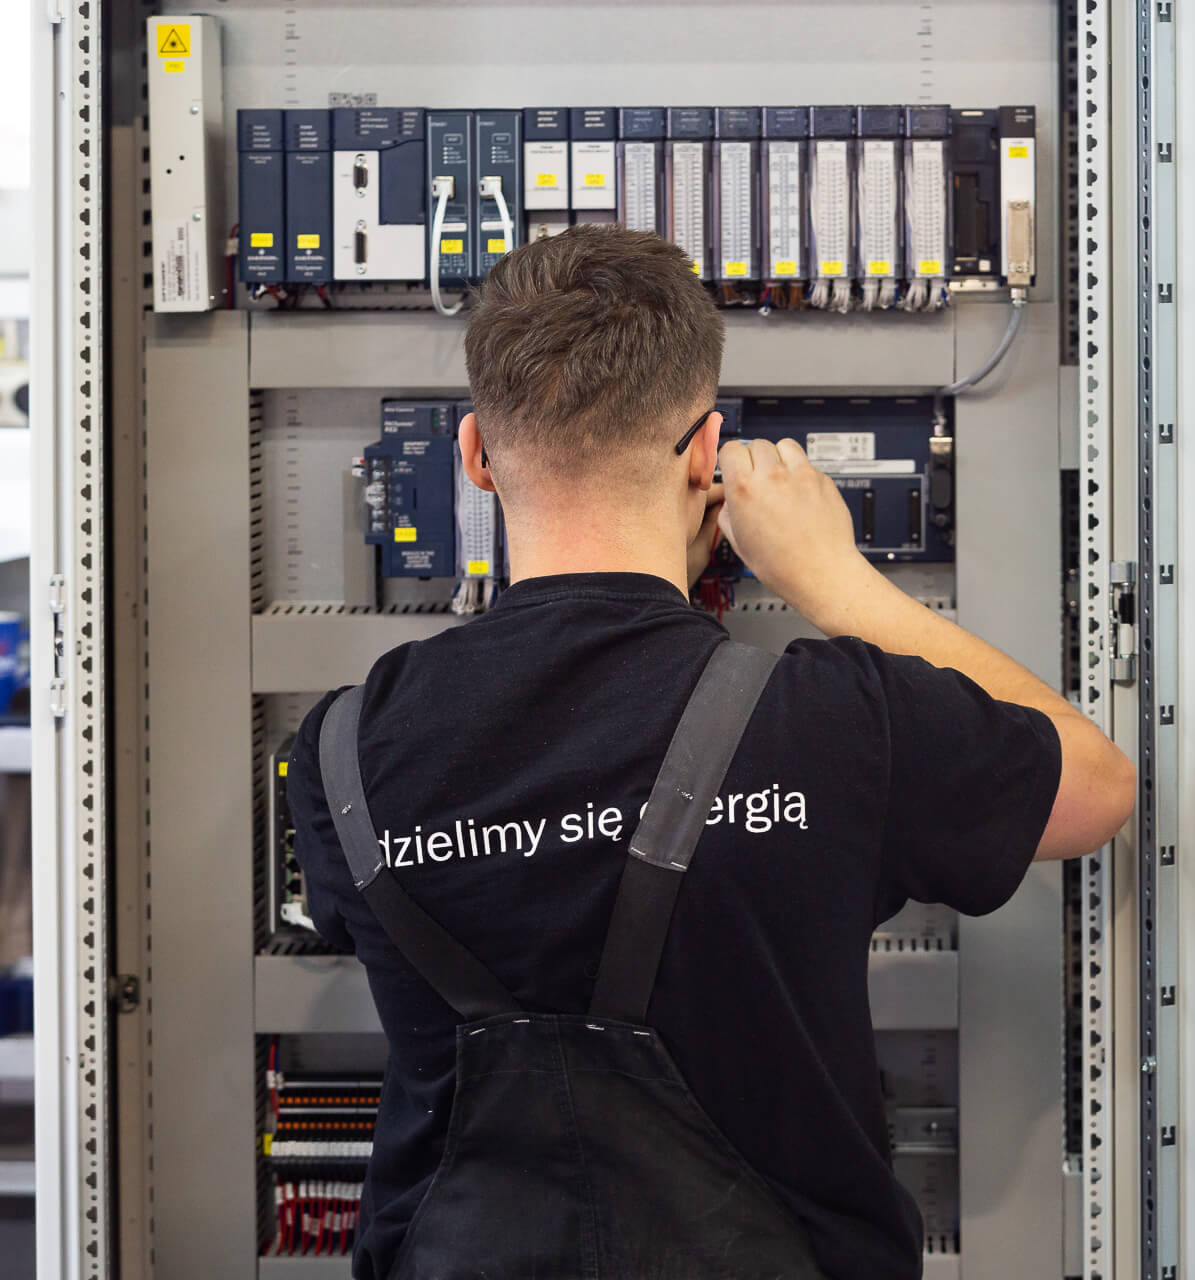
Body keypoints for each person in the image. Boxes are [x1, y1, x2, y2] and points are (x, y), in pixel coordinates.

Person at [288, 224, 1135, 1280]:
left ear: (474, 456)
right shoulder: (832, 723)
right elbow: (1097, 785)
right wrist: (835, 581)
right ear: (706, 453)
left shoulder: (339, 753)